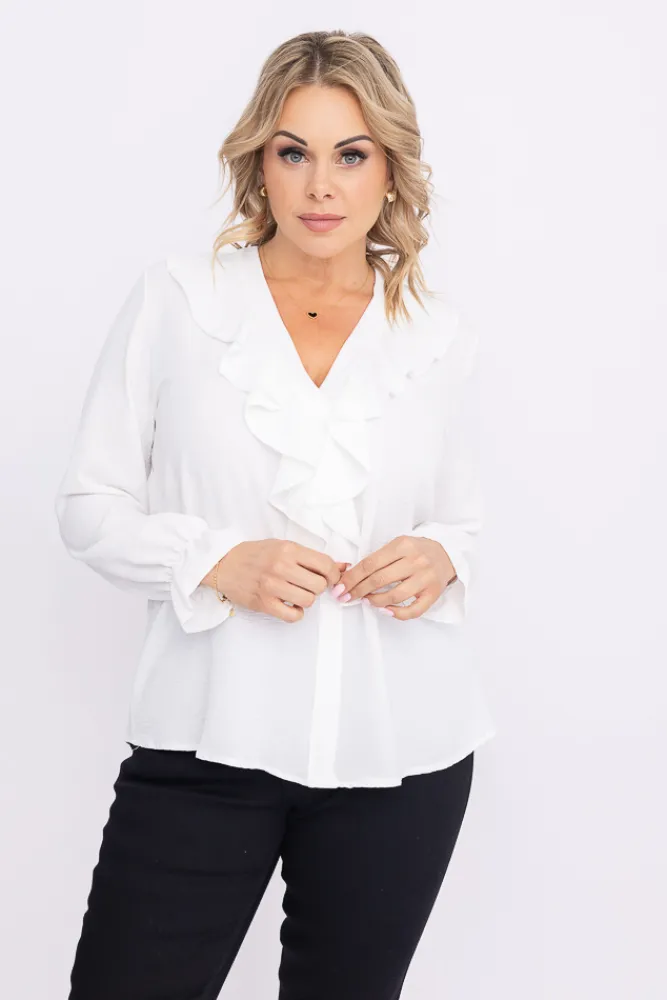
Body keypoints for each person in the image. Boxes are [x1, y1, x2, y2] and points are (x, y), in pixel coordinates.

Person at [55, 29, 497, 1000]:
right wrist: (215, 560)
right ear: (260, 161)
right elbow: (88, 506)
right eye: (293, 152)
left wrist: (439, 556)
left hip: (401, 757)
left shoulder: (437, 336)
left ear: (390, 167)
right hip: (207, 745)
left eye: (351, 154)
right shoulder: (179, 302)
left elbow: (460, 520)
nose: (319, 186)